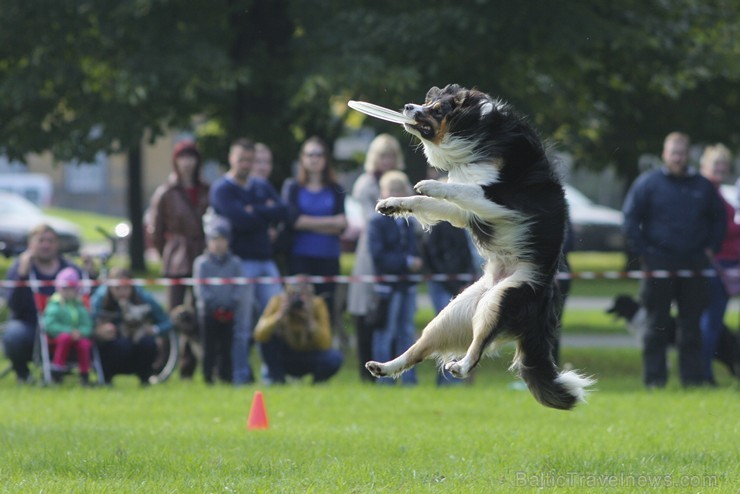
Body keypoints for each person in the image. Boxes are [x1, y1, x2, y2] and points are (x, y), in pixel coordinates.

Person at [622, 132, 726, 388]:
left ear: (688, 155)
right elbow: (630, 219)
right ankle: (655, 380)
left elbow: (719, 219)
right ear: (664, 154)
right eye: (673, 153)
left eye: (682, 153)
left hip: (694, 265)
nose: (678, 158)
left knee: (691, 326)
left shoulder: (702, 186)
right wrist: (643, 252)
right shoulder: (648, 183)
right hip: (658, 264)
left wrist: (711, 248)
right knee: (656, 324)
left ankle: (692, 380)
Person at [209, 137, 288, 385]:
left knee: (273, 318)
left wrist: (254, 211)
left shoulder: (261, 186)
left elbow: (283, 210)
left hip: (266, 260)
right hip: (241, 263)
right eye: (241, 159)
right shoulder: (222, 189)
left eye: (249, 160)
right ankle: (240, 374)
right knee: (243, 324)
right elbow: (240, 220)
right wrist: (262, 214)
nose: (245, 164)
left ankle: (272, 374)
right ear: (232, 159)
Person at [146, 140, 209, 378]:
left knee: (198, 314)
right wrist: (169, 254)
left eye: (191, 157)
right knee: (172, 314)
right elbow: (155, 230)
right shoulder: (166, 192)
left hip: (201, 254)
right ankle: (163, 363)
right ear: (176, 161)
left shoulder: (206, 190)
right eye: (183, 157)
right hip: (177, 258)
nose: (187, 162)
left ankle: (189, 365)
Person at [346, 133, 406, 382]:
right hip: (370, 253)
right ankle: (365, 370)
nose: (387, 160)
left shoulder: (402, 182)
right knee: (367, 313)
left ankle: (391, 368)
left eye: (391, 155)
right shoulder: (365, 184)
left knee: (393, 314)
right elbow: (373, 219)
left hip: (395, 252)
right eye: (383, 155)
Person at [2, 224, 82, 384]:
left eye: (50, 241)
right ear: (30, 244)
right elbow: (12, 304)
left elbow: (85, 298)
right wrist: (22, 275)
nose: (46, 245)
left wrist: (91, 272)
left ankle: (65, 371)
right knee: (13, 334)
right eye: (41, 240)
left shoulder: (70, 269)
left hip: (64, 325)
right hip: (29, 324)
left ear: (57, 244)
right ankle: (23, 375)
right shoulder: (19, 267)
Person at [281, 136, 347, 320]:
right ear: (302, 158)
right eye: (310, 154)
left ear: (325, 159)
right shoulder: (292, 187)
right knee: (298, 310)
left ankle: (325, 347)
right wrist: (330, 222)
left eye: (319, 154)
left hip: (328, 258)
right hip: (300, 257)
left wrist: (307, 223)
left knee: (325, 310)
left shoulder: (335, 188)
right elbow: (294, 221)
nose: (314, 159)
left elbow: (342, 225)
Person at [367, 171, 423, 386]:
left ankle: (409, 379)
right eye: (393, 191)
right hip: (387, 288)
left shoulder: (407, 220)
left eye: (401, 191)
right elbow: (378, 256)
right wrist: (408, 262)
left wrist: (414, 260)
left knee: (407, 332)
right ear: (383, 193)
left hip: (407, 285)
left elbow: (415, 249)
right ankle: (383, 381)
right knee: (386, 333)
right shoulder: (376, 222)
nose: (397, 195)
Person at [699, 143, 740, 385]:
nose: (720, 170)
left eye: (724, 166)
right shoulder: (707, 193)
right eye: (716, 165)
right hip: (718, 265)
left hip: (725, 263)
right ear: (705, 165)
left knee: (713, 322)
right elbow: (722, 229)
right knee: (711, 322)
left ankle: (705, 372)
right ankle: (704, 374)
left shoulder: (716, 192)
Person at [91, 267, 173, 386]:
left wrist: (154, 329)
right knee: (120, 345)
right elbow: (88, 324)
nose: (122, 292)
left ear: (132, 286)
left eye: (126, 287)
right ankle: (106, 377)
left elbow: (167, 323)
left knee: (148, 343)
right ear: (110, 287)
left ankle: (145, 377)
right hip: (113, 347)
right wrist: (98, 332)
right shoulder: (99, 299)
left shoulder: (144, 297)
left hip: (137, 341)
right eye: (117, 288)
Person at [253, 278, 343, 384]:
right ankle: (277, 380)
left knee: (334, 357)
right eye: (293, 295)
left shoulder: (317, 305)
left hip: (310, 356)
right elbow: (258, 335)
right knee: (267, 341)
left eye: (302, 296)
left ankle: (318, 383)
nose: (298, 300)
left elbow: (326, 344)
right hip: (285, 356)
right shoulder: (277, 301)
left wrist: (310, 321)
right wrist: (279, 316)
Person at [192, 219, 244, 385]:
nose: (219, 244)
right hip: (208, 313)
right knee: (209, 348)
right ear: (208, 242)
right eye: (215, 240)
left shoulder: (235, 263)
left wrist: (230, 305)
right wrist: (214, 307)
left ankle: (226, 377)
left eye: (222, 239)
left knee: (226, 348)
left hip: (229, 312)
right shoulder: (202, 263)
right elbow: (200, 289)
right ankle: (208, 378)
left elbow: (238, 287)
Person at [42, 267, 94, 385]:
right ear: (59, 289)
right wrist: (69, 331)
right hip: (59, 337)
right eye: (65, 288)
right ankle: (58, 369)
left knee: (85, 344)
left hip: (78, 337)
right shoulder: (54, 305)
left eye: (71, 288)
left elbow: (87, 324)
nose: (68, 292)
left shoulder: (80, 306)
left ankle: (85, 374)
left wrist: (81, 332)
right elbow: (49, 324)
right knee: (65, 338)